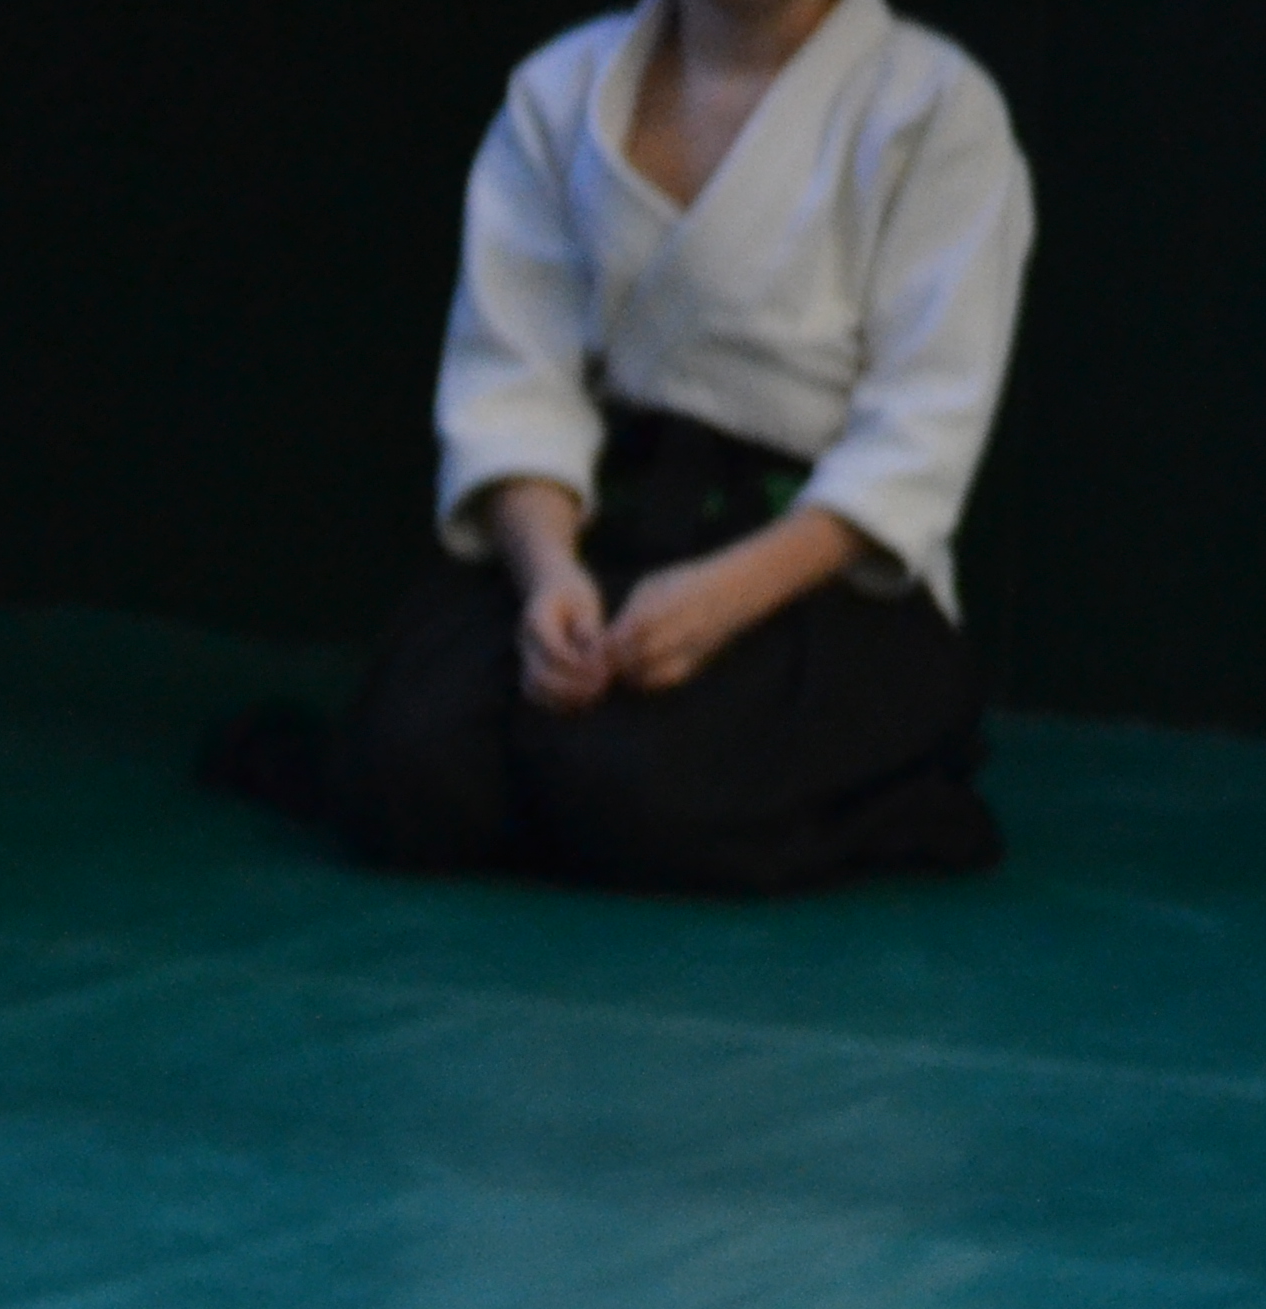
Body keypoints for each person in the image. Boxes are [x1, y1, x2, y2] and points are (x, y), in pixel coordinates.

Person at [201, 0, 1032, 891]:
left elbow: (922, 429)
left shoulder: (935, 107)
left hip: (815, 572)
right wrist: (548, 574)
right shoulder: (561, 90)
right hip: (605, 530)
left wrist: (726, 595)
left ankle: (903, 792)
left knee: (636, 793)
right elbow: (514, 379)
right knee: (413, 772)